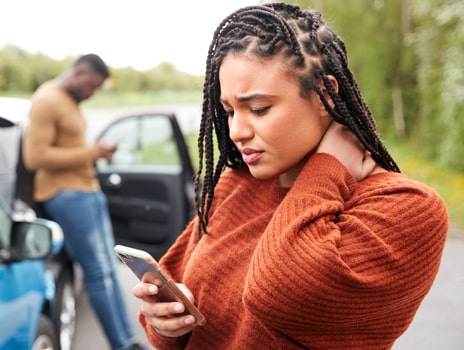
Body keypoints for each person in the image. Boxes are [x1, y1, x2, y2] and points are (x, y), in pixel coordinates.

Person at [131, 3, 449, 349]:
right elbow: (175, 312)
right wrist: (166, 325)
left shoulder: (407, 209)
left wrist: (327, 167)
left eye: (258, 109)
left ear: (324, 93)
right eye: (229, 111)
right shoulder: (236, 184)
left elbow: (280, 294)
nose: (236, 130)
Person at [22, 54, 143, 350]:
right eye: (91, 86)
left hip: (87, 192)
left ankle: (129, 340)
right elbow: (34, 157)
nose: (92, 93)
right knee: (99, 274)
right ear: (78, 73)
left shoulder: (69, 101)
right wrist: (93, 152)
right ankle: (122, 345)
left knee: (111, 271)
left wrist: (94, 153)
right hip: (67, 195)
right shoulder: (48, 99)